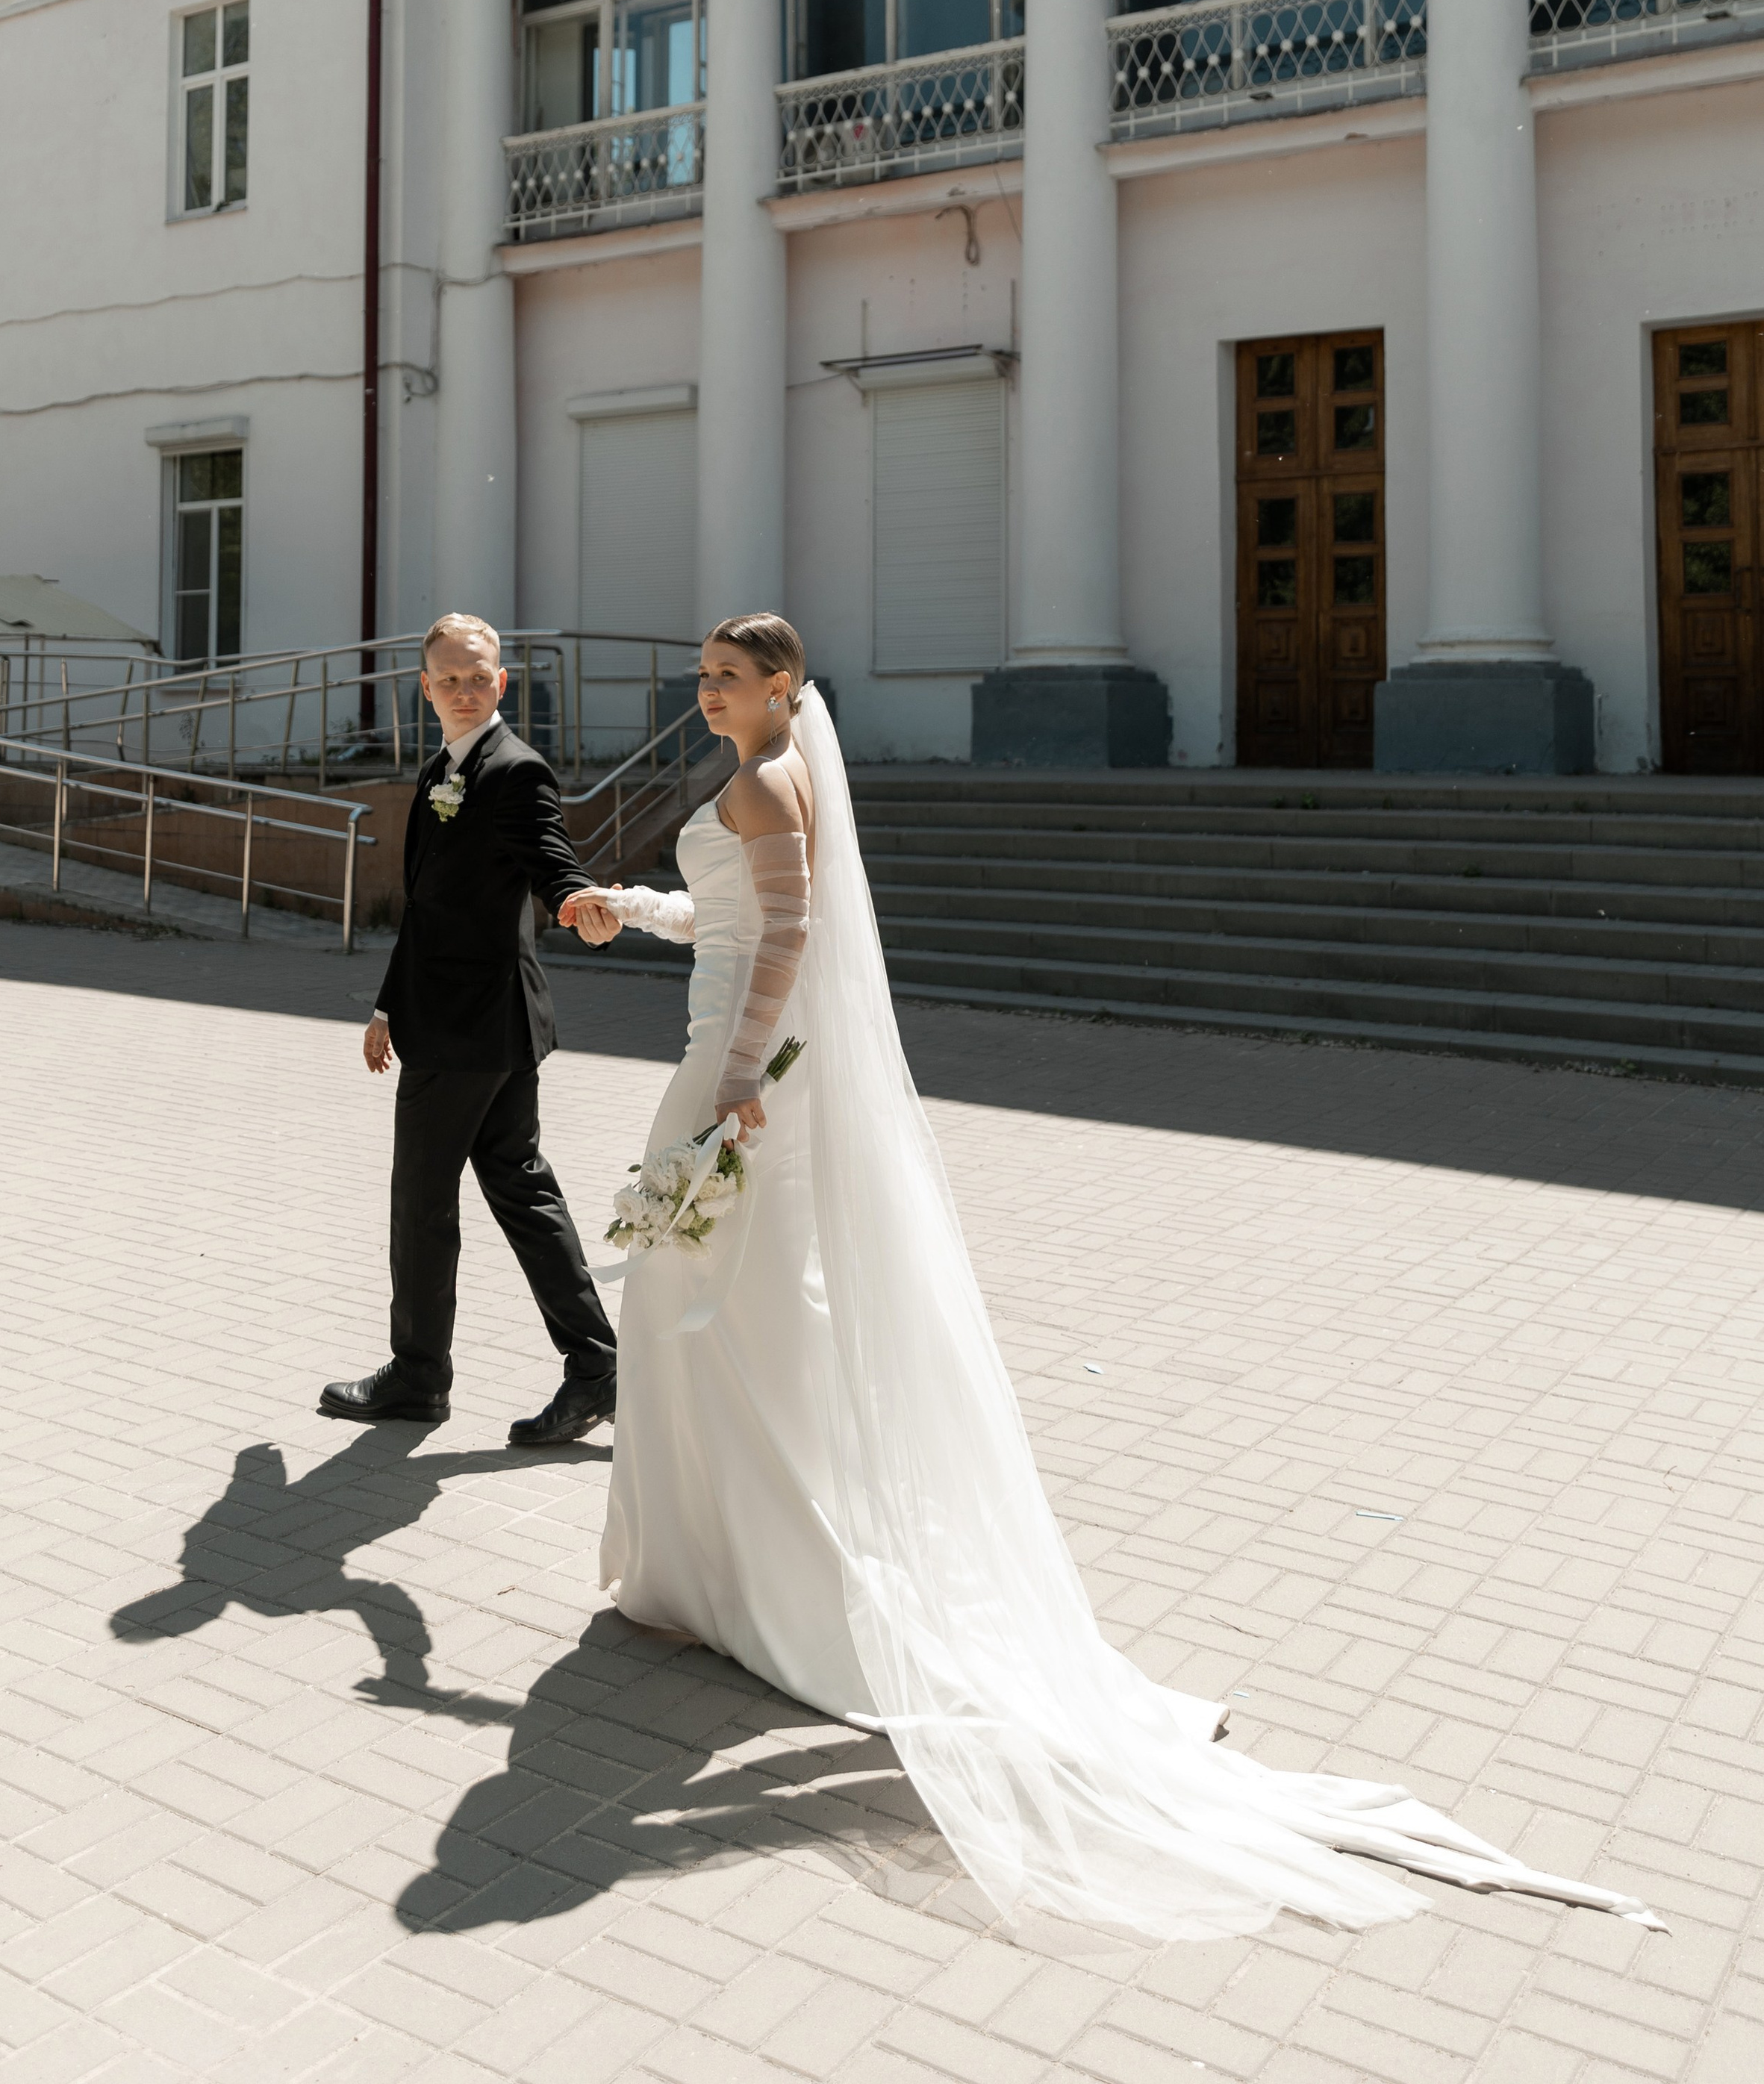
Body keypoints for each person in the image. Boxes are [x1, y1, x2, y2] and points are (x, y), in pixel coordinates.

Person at [560, 614, 1659, 1944]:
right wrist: (634, 906)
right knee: (706, 1315)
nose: (708, 690)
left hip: (740, 1083)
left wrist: (735, 1082)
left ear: (784, 686)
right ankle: (717, 1562)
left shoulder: (777, 774)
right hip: (731, 1068)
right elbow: (735, 921)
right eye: (707, 675)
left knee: (712, 1318)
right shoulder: (763, 773)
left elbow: (787, 942)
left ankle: (756, 1570)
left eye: (729, 676)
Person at [322, 614, 617, 1449]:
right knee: (520, 1186)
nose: (462, 688)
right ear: (424, 686)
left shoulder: (514, 770)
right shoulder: (440, 770)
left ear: (503, 682)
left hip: (467, 1029)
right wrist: (386, 1006)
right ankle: (596, 1367)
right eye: (447, 677)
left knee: (422, 1200)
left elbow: (550, 858)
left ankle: (418, 1379)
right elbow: (429, 907)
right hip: (481, 1023)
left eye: (477, 675)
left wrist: (573, 899)